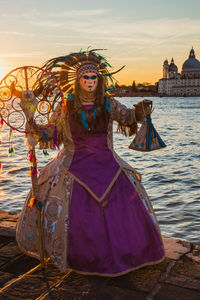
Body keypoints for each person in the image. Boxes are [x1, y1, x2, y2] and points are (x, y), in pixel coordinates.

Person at [16, 50, 165, 277]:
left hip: (108, 164)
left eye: (94, 78)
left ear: (100, 80)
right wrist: (30, 118)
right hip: (72, 165)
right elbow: (51, 133)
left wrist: (139, 112)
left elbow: (127, 117)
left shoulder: (108, 103)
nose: (90, 82)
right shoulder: (66, 106)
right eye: (86, 78)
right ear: (77, 81)